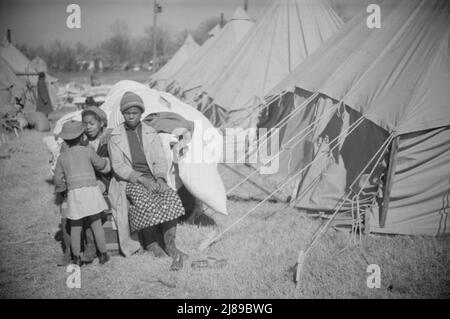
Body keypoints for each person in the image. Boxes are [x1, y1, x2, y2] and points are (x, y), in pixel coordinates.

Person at [108, 91, 187, 270]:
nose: (131, 116)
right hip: (129, 181)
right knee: (146, 201)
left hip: (152, 176)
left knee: (170, 198)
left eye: (135, 113)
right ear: (122, 114)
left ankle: (170, 244)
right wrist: (142, 180)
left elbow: (160, 159)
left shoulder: (150, 132)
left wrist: (160, 178)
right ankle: (152, 243)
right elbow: (118, 166)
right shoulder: (116, 136)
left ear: (141, 113)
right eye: (127, 113)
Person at [54, 120, 110, 266]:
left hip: (74, 194)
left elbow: (58, 179)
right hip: (91, 191)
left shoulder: (62, 157)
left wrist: (62, 190)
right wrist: (105, 162)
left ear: (65, 140)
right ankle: (103, 254)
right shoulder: (88, 151)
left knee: (75, 226)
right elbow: (101, 164)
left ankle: (76, 258)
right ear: (82, 137)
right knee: (96, 224)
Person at [80, 106, 113, 263]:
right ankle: (91, 244)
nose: (88, 127)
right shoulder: (82, 141)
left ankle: (96, 246)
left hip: (108, 179)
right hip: (89, 179)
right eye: (85, 124)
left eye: (92, 123)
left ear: (101, 122)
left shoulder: (110, 137)